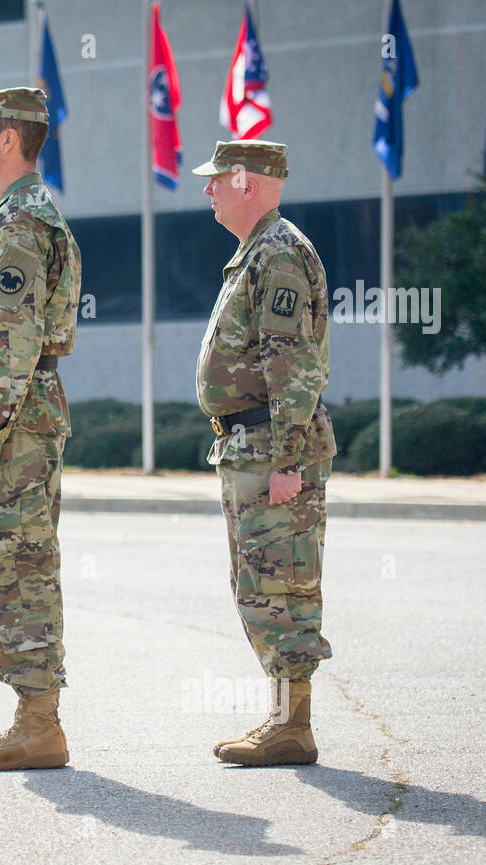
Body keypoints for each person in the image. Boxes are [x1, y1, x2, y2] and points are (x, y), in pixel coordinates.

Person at [0, 88, 81, 771]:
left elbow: (13, 332)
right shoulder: (12, 212)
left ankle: (37, 722)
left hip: (16, 415)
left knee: (18, 563)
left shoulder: (23, 221)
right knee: (11, 560)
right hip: (19, 411)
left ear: (9, 137)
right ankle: (34, 715)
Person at [192, 140, 337, 767]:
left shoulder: (275, 253)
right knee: (264, 585)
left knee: (278, 588)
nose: (209, 190)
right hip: (249, 443)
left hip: (268, 447)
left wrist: (287, 460)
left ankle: (291, 727)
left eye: (217, 180)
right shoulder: (259, 252)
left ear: (246, 182)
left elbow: (292, 365)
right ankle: (286, 721)